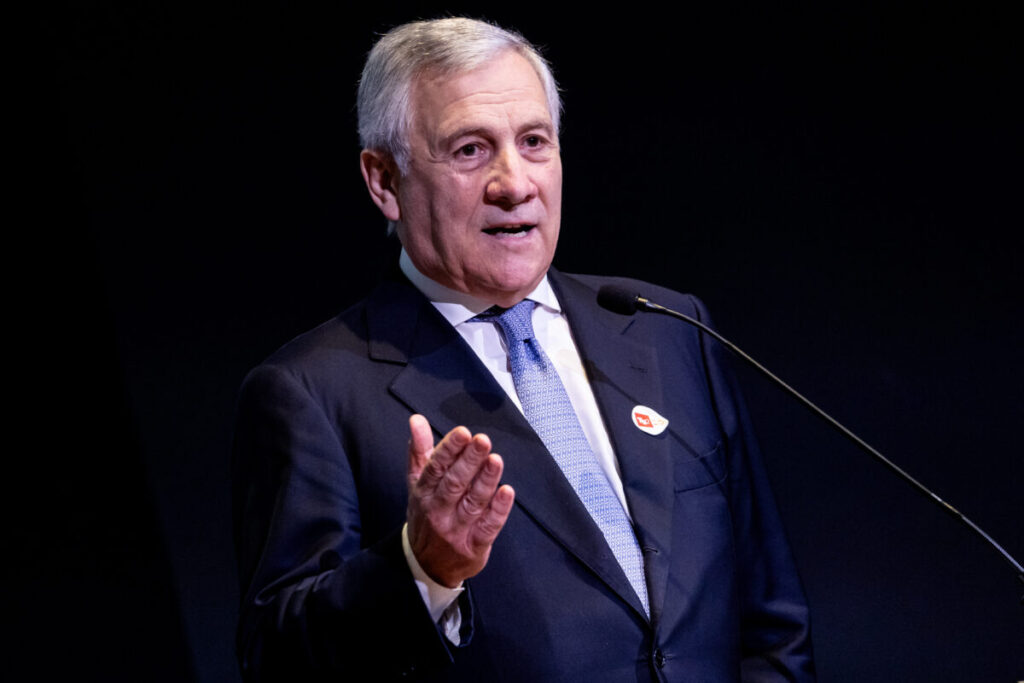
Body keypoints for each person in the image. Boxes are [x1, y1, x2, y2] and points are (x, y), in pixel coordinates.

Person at [232, 17, 814, 682]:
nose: (514, 183)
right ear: (385, 180)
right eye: (470, 150)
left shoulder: (667, 330)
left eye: (534, 142)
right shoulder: (311, 393)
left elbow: (772, 621)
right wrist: (422, 570)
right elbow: (279, 660)